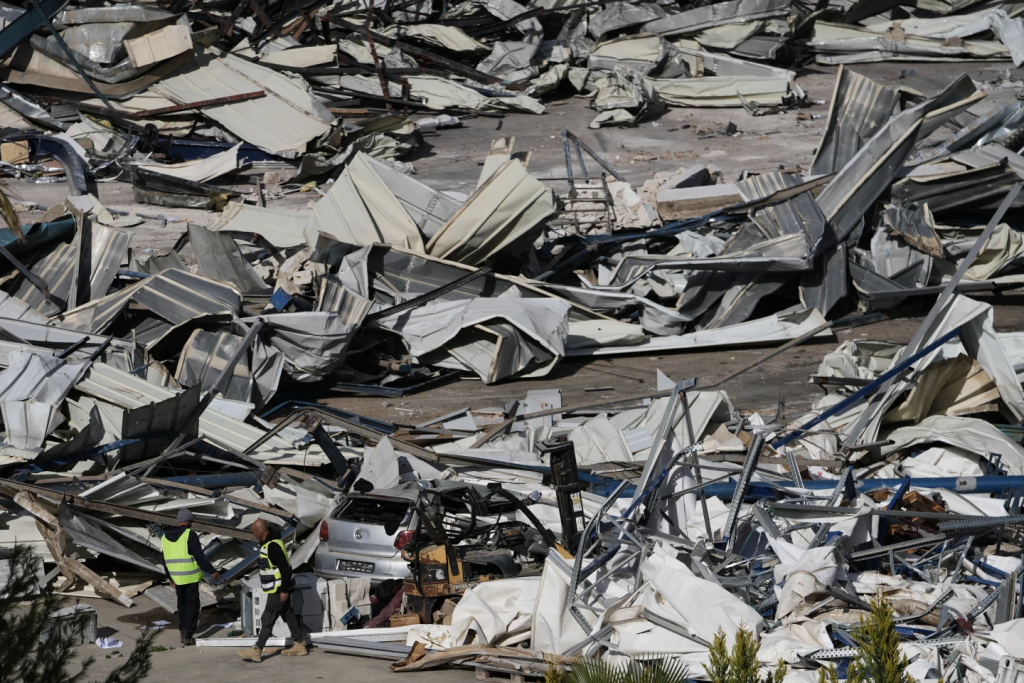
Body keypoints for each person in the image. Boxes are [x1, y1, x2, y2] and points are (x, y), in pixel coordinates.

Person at [237, 519, 312, 662]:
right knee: (288, 614)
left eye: (254, 532)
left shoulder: (272, 546)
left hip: (278, 589)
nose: (253, 535)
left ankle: (257, 650)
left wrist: (283, 590)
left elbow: (285, 569)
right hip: (278, 587)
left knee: (268, 618)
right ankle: (299, 644)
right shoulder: (269, 543)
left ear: (260, 532)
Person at [161, 509, 220, 646]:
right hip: (190, 577)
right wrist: (212, 571)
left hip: (176, 577)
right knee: (193, 605)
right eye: (191, 522)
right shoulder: (189, 534)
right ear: (187, 522)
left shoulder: (165, 537)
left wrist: (170, 577)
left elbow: (165, 559)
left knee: (182, 604)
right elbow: (199, 555)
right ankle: (188, 634)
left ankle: (183, 630)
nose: (192, 524)